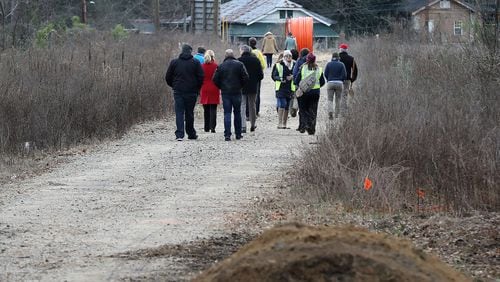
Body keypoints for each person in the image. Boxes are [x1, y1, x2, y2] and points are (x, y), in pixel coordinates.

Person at [165, 44, 204, 141]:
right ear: (191, 51)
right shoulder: (195, 63)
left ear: (182, 51)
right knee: (189, 113)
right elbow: (201, 77)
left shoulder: (174, 62)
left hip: (178, 91)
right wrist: (197, 88)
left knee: (179, 112)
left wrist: (174, 85)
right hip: (192, 91)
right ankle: (191, 133)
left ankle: (179, 134)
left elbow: (168, 77)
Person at [212, 49, 249, 141]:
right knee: (237, 113)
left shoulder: (221, 66)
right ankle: (238, 134)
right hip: (237, 92)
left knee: (227, 113)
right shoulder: (239, 65)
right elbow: (246, 77)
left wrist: (221, 87)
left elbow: (214, 79)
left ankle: (227, 135)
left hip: (226, 93)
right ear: (233, 55)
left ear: (225, 56)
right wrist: (241, 86)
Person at [294, 53, 325, 135]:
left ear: (307, 60)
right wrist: (316, 87)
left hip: (304, 92)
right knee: (313, 110)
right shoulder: (319, 69)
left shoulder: (303, 68)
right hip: (315, 93)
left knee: (303, 109)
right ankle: (311, 129)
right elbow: (322, 82)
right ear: (315, 60)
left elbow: (296, 81)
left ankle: (304, 125)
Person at [238, 45, 264, 133]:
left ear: (242, 51)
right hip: (253, 86)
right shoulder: (256, 60)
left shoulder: (238, 61)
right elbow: (261, 75)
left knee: (242, 105)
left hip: (242, 86)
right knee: (252, 105)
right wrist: (255, 81)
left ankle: (243, 126)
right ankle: (253, 124)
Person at [272, 50, 295, 129]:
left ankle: (284, 124)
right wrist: (281, 78)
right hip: (281, 87)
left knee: (287, 106)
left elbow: (298, 74)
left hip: (290, 88)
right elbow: (274, 76)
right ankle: (280, 123)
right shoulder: (278, 64)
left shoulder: (294, 64)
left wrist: (293, 77)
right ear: (284, 57)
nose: (289, 58)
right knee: (282, 104)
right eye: (287, 56)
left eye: (290, 56)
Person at [200, 50, 220, 133]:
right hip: (214, 88)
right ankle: (213, 127)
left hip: (204, 88)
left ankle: (206, 127)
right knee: (213, 109)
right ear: (213, 56)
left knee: (206, 109)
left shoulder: (201, 66)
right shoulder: (216, 66)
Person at [324, 52, 347, 119]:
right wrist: (341, 80)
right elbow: (344, 75)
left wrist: (329, 79)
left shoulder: (328, 64)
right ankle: (337, 115)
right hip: (339, 83)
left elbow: (325, 73)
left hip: (330, 83)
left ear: (332, 57)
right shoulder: (341, 64)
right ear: (338, 58)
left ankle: (330, 112)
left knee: (330, 99)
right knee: (338, 99)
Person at [292, 48, 310, 132]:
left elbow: (295, 73)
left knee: (301, 107)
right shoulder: (311, 61)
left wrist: (295, 83)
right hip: (310, 87)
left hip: (300, 86)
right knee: (309, 107)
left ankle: (301, 126)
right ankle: (309, 125)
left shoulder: (299, 61)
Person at [249, 37, 266, 118]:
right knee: (257, 93)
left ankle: (248, 112)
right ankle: (256, 111)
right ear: (255, 43)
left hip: (248, 76)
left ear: (249, 43)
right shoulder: (258, 52)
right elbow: (263, 65)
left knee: (247, 94)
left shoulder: (246, 51)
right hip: (257, 76)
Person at [338, 43, 358, 112]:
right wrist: (352, 79)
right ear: (346, 50)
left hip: (338, 79)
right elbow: (355, 70)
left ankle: (338, 108)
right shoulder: (351, 58)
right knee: (344, 94)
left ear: (340, 49)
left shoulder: (336, 58)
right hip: (347, 79)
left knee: (338, 93)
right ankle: (343, 109)